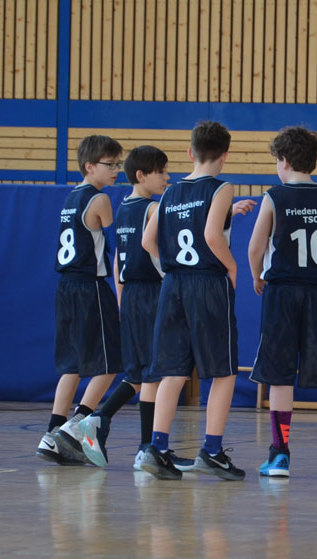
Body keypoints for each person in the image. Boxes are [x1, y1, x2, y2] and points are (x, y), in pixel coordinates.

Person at [136, 120, 254, 481]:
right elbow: (211, 235)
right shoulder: (222, 187)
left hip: (173, 285)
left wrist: (172, 265)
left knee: (172, 371)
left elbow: (147, 241)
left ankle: (156, 448)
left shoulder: (169, 194)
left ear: (190, 153)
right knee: (223, 371)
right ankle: (212, 451)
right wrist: (232, 266)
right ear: (225, 155)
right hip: (206, 283)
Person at [57, 145, 186, 471]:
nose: (167, 177)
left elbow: (116, 259)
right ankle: (114, 428)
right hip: (151, 293)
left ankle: (143, 445)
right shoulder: (152, 208)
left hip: (129, 295)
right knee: (153, 372)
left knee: (141, 374)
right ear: (142, 175)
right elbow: (150, 247)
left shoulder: (124, 206)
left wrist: (121, 295)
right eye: (162, 172)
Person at [247, 126, 317, 479]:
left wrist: (257, 276)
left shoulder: (274, 197)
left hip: (282, 292)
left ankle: (279, 454)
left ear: (283, 160)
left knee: (280, 374)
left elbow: (255, 247)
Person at [35, 134, 124, 466]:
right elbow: (119, 243)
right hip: (90, 287)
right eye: (110, 164)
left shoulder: (71, 197)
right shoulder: (99, 200)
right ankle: (76, 425)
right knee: (111, 363)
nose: (116, 170)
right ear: (89, 166)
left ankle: (52, 431)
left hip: (66, 288)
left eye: (119, 164)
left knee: (72, 365)